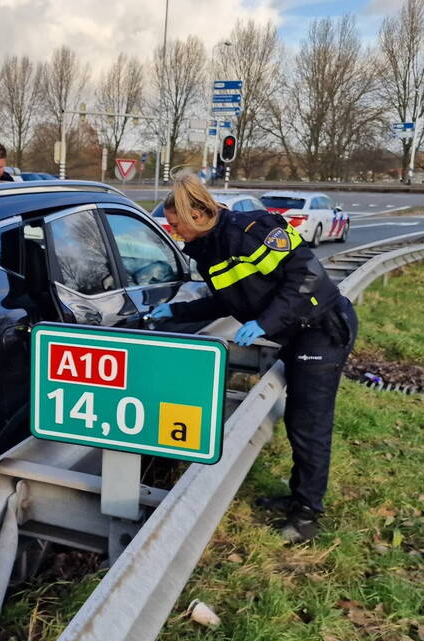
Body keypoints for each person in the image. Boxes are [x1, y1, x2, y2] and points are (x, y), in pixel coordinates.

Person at [150, 172, 357, 543]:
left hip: (322, 328)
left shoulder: (252, 229)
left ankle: (307, 516)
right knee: (298, 420)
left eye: (177, 224)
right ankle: (299, 498)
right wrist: (178, 313)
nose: (174, 231)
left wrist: (265, 322)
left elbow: (307, 276)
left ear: (197, 216)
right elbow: (229, 298)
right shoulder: (209, 249)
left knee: (309, 424)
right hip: (296, 331)